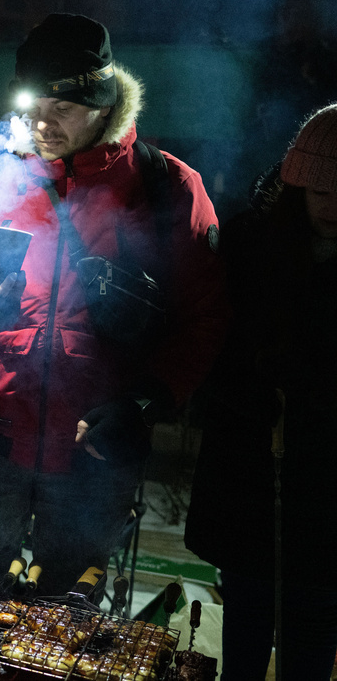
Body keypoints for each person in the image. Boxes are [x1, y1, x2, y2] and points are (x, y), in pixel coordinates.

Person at [0, 12, 228, 618]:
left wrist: (149, 401)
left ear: (103, 102)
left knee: (66, 616)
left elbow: (205, 318)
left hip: (95, 451)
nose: (38, 125)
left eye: (60, 108)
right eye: (30, 105)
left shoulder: (170, 191)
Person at [185, 103, 337, 681]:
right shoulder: (252, 244)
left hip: (328, 482)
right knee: (248, 609)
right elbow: (212, 339)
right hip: (251, 468)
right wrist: (245, 389)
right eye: (320, 191)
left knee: (317, 617)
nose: (332, 206)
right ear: (297, 181)